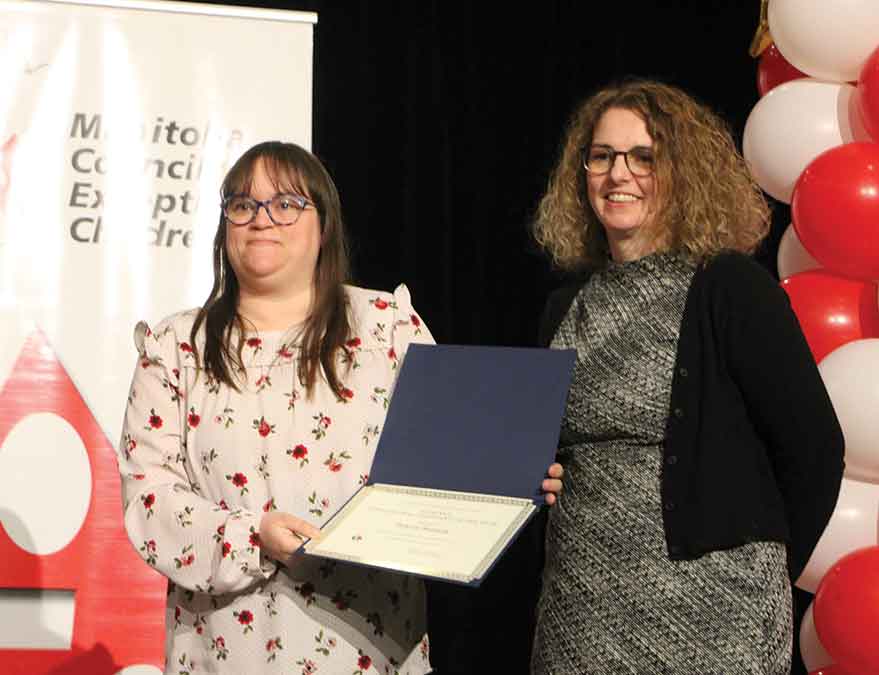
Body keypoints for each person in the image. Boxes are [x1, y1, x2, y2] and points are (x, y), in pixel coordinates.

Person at [116, 140, 565, 674]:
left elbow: (448, 452)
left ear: (323, 224)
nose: (262, 219)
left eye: (286, 203)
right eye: (243, 204)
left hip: (366, 643)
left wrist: (511, 475)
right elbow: (149, 495)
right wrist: (253, 538)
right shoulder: (176, 346)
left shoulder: (386, 327)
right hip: (224, 648)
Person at [529, 80, 844, 675]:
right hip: (582, 606)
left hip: (715, 608)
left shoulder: (729, 288)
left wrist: (758, 564)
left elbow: (816, 450)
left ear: (683, 171)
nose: (618, 174)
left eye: (643, 157)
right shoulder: (564, 306)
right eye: (602, 156)